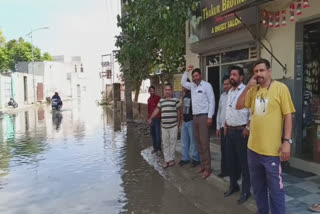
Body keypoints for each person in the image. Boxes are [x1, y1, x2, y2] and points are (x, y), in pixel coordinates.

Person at [236, 58, 295, 214]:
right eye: (256, 72)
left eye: (262, 70)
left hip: (272, 152)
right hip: (253, 150)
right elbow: (239, 105)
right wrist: (248, 86)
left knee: (276, 191)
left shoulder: (281, 88)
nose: (259, 74)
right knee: (258, 189)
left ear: (269, 71)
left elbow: (288, 115)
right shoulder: (253, 91)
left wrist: (287, 141)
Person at [181, 65, 215, 179]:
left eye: (196, 75)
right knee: (198, 142)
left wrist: (210, 117)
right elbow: (182, 82)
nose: (195, 78)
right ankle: (202, 165)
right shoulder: (192, 86)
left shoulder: (207, 86)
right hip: (194, 118)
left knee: (205, 143)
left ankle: (208, 168)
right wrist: (186, 71)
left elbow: (212, 101)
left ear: (200, 75)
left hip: (204, 117)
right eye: (193, 76)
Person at [224, 66, 251, 204]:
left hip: (242, 132)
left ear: (241, 77)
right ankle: (233, 185)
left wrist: (247, 127)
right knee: (231, 160)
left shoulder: (248, 90)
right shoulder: (230, 92)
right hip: (230, 131)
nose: (231, 77)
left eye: (234, 74)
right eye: (230, 75)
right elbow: (229, 109)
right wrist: (225, 124)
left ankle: (246, 191)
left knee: (244, 162)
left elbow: (253, 112)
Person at [148, 83, 181, 168]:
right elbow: (156, 110)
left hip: (173, 126)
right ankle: (167, 160)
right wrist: (151, 118)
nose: (167, 91)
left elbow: (178, 112)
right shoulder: (161, 101)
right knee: (165, 143)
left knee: (172, 143)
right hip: (164, 127)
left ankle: (171, 159)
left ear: (172, 90)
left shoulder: (176, 100)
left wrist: (178, 124)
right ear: (164, 90)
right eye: (166, 90)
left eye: (169, 90)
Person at [179, 81, 201, 168]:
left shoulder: (194, 95)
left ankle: (196, 159)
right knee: (184, 141)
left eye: (184, 86)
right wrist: (181, 119)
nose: (183, 88)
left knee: (193, 142)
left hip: (191, 120)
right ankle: (185, 158)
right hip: (185, 121)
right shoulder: (184, 96)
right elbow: (183, 108)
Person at [216, 75, 232, 178]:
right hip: (222, 127)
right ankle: (224, 171)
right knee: (224, 150)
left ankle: (233, 172)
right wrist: (218, 126)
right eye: (224, 84)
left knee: (231, 151)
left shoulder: (234, 95)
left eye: (227, 84)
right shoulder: (222, 96)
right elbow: (219, 111)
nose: (225, 86)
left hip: (231, 127)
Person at [147, 86, 162, 156]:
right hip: (151, 119)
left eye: (153, 91)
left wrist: (160, 118)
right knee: (153, 135)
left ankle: (159, 149)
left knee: (158, 134)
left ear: (154, 91)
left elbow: (160, 108)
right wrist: (149, 119)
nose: (152, 92)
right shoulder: (149, 100)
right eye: (150, 91)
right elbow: (148, 110)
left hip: (157, 118)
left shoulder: (158, 98)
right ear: (149, 91)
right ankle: (155, 148)